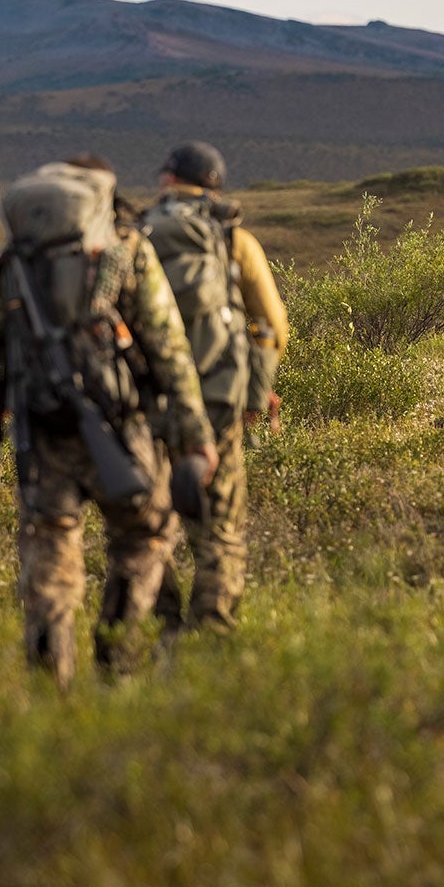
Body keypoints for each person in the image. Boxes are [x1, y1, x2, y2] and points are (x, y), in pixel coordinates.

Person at [0, 155, 217, 689]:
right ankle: (115, 658)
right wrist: (195, 435)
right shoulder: (125, 249)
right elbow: (170, 348)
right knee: (145, 534)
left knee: (50, 552)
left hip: (42, 433)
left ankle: (49, 681)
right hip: (119, 427)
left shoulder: (15, 257)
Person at [143, 141, 288, 634]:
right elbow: (271, 324)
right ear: (214, 184)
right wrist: (254, 393)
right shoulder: (232, 238)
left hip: (147, 401)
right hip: (217, 400)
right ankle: (213, 630)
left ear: (167, 180)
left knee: (148, 518)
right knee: (219, 524)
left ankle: (162, 623)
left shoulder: (133, 234)